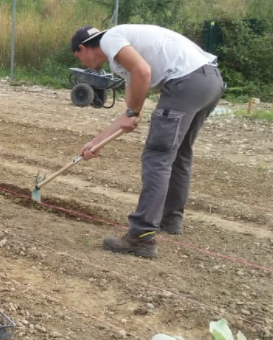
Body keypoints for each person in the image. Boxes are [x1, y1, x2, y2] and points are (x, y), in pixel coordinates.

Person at [70, 25, 225, 258]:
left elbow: (143, 72)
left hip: (186, 82)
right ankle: (171, 219)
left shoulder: (111, 39)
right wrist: (96, 142)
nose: (82, 63)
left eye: (78, 57)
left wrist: (134, 111)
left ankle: (142, 235)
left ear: (83, 48)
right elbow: (129, 114)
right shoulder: (122, 58)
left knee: (157, 156)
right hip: (210, 81)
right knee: (180, 153)